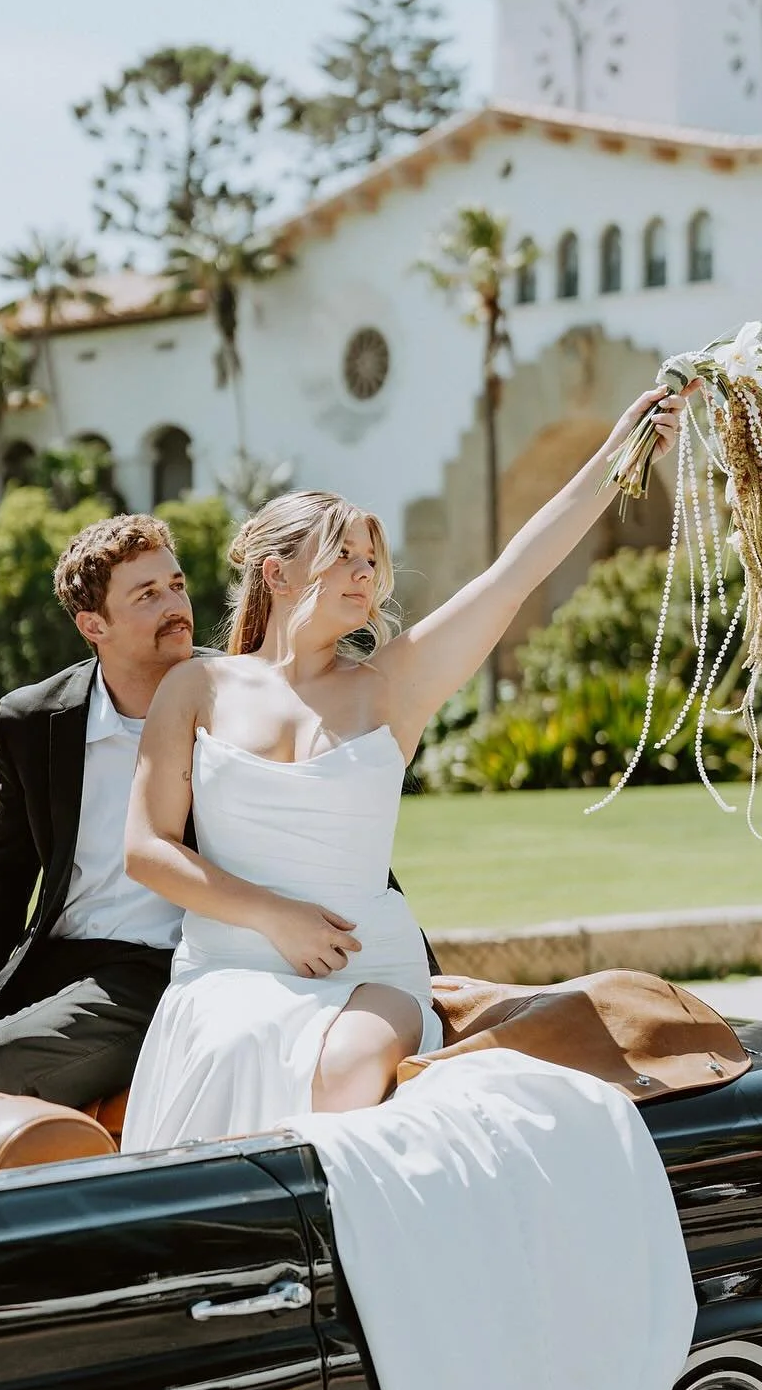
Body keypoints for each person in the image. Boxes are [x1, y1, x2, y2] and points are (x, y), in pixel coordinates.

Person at [120, 384, 693, 1150]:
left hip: (370, 972)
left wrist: (618, 454)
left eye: (370, 559)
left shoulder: (391, 687)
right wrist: (272, 914)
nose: (365, 573)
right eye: (342, 555)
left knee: (351, 1068)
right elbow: (147, 849)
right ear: (275, 574)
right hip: (225, 971)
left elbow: (512, 575)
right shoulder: (197, 686)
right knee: (230, 1051)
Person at [0, 512, 196, 1110]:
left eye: (176, 585)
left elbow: (307, 828)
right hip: (57, 958)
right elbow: (6, 857)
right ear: (93, 624)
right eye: (147, 594)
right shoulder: (34, 720)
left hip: (170, 964)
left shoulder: (244, 698)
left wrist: (404, 960)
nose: (175, 605)